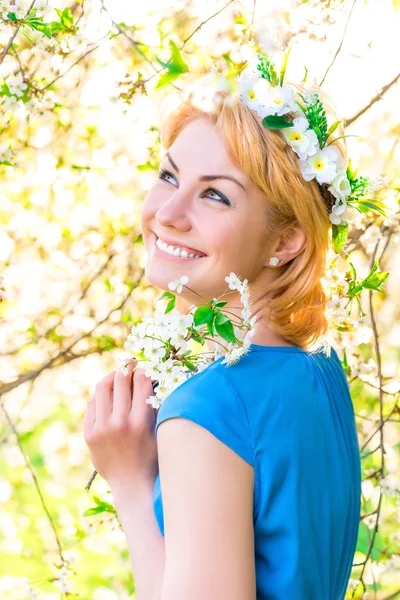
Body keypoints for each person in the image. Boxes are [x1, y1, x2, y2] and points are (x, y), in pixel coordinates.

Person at [84, 83, 362, 599]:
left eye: (215, 194)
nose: (168, 213)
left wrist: (129, 481)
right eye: (170, 176)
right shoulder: (320, 369)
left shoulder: (207, 409)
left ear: (285, 239)